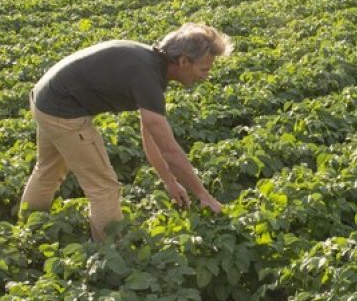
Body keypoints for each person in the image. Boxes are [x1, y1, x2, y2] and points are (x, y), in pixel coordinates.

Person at [19, 22, 232, 240]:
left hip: (45, 97)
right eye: (204, 69)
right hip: (62, 110)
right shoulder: (147, 78)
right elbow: (170, 152)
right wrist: (204, 196)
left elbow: (150, 135)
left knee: (47, 170)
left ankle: (27, 232)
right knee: (104, 188)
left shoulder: (150, 64)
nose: (205, 76)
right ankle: (108, 257)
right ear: (184, 62)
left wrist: (169, 181)